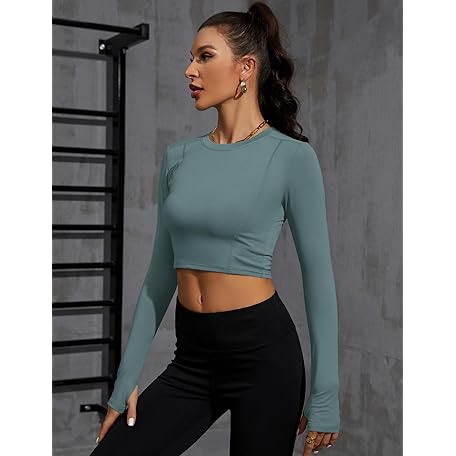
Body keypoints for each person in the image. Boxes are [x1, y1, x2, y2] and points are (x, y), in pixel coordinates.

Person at [90, 2, 340, 455]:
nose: (190, 70)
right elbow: (159, 276)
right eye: (191, 58)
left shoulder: (291, 157)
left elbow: (318, 279)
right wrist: (126, 378)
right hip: (193, 356)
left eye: (205, 57)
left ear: (246, 67)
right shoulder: (178, 157)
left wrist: (325, 394)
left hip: (264, 354)